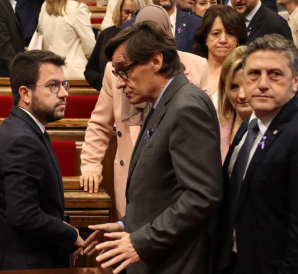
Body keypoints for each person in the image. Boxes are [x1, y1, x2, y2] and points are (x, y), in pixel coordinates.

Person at [82, 21, 223, 274]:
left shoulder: (186, 106)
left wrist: (141, 240)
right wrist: (127, 226)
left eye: (123, 70)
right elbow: (163, 191)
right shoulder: (164, 102)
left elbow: (202, 196)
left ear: (156, 61)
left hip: (175, 263)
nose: (121, 83)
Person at [80, 5, 212, 219]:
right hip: (131, 173)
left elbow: (205, 127)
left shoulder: (196, 68)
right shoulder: (115, 71)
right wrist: (91, 165)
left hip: (173, 182)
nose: (122, 82)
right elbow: (100, 123)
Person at [0, 50, 84, 271]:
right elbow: (24, 215)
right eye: (53, 85)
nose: (64, 93)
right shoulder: (22, 140)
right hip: (21, 264)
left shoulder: (23, 129)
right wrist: (71, 234)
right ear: (25, 93)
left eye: (65, 84)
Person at [217, 34, 298, 274]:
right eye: (253, 74)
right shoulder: (249, 125)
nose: (262, 84)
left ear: (295, 81)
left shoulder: (294, 133)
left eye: (275, 74)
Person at [84, 0, 152, 90]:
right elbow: (90, 70)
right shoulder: (106, 34)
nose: (130, 18)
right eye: (126, 12)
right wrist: (108, 81)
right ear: (119, 11)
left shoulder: (149, 37)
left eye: (135, 13)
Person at [194, 5, 247, 106]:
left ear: (238, 38)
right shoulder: (192, 70)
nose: (223, 40)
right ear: (205, 37)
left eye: (230, 33)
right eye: (216, 33)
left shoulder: (246, 71)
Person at [38, 0, 96, 79]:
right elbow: (90, 48)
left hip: (50, 70)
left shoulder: (45, 6)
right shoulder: (78, 8)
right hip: (73, 71)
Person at [217, 46, 253, 162]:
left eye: (247, 85)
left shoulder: (278, 129)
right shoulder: (215, 128)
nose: (241, 95)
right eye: (233, 87)